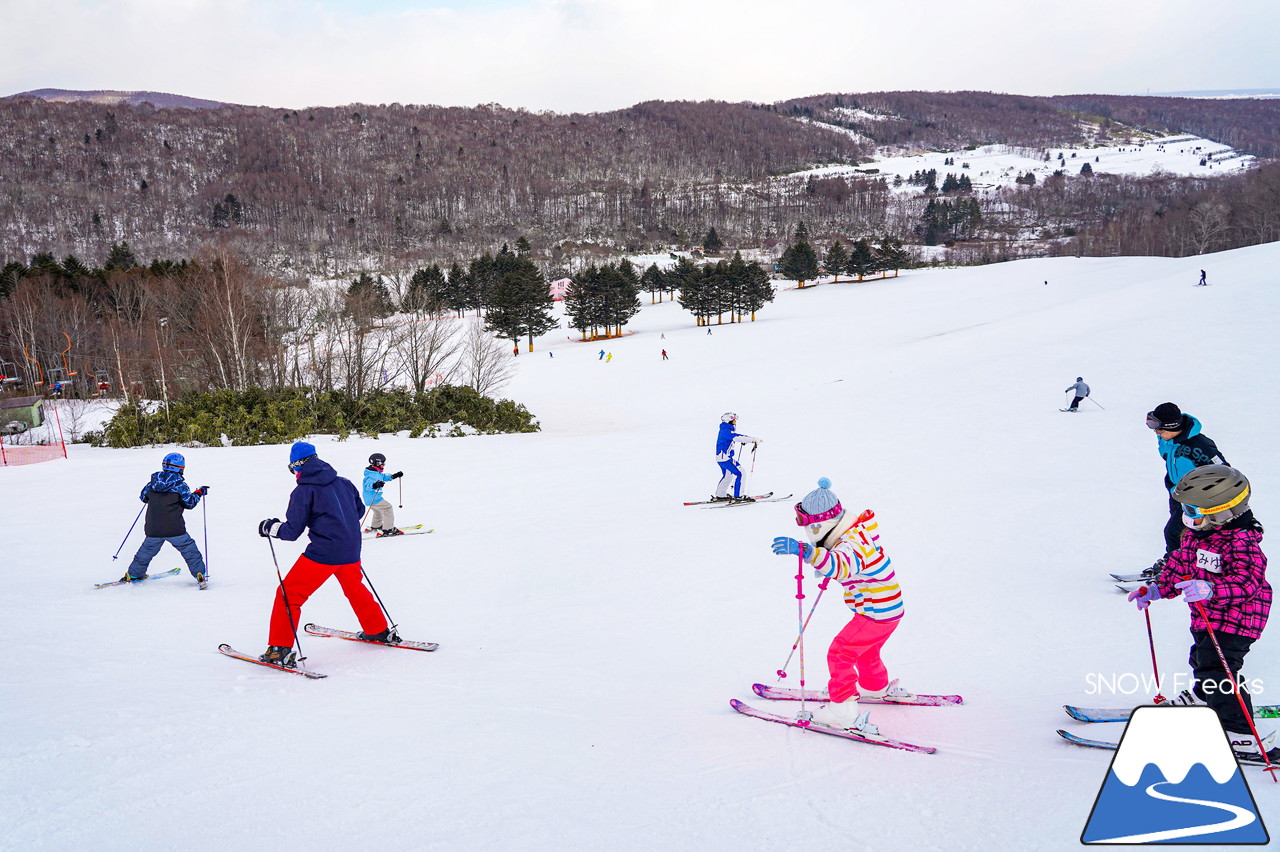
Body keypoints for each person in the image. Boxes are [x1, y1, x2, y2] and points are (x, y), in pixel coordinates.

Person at [1128, 465, 1276, 762]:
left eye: (1194, 509)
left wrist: (1211, 590)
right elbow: (1179, 565)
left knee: (1220, 672)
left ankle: (1242, 735)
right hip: (1206, 614)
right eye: (1186, 507)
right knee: (1201, 658)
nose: (1188, 515)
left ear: (1221, 511)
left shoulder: (1242, 542)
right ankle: (1204, 695)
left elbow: (1248, 582)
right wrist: (1157, 589)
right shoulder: (1196, 535)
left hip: (1241, 617)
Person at [770, 478, 911, 735]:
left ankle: (842, 710)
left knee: (841, 652)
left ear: (820, 524)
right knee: (866, 651)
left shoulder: (852, 544)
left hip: (876, 612)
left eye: (806, 523)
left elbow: (840, 564)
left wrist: (807, 553)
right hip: (888, 609)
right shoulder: (852, 530)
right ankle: (873, 686)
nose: (805, 529)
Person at [257, 442, 395, 666]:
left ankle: (278, 651)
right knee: (355, 589)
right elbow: (359, 511)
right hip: (351, 550)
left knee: (288, 595)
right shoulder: (344, 483)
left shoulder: (303, 491)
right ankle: (377, 630)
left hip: (323, 553)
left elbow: (292, 532)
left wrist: (271, 528)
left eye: (293, 469)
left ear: (298, 466)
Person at [1144, 402, 1229, 577]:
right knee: (1183, 533)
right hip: (1176, 492)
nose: (1156, 432)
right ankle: (1181, 562)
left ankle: (1175, 568)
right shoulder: (1167, 438)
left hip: (1196, 497)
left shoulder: (1200, 445)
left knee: (1173, 532)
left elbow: (1224, 471)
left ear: (1172, 426)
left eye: (1159, 428)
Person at [120, 452, 208, 586]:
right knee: (189, 550)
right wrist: (199, 492)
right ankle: (199, 574)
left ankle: (133, 574)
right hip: (175, 529)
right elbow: (189, 503)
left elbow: (143, 497)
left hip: (153, 528)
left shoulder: (151, 484)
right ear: (180, 468)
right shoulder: (180, 486)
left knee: (145, 553)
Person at [712, 412, 761, 503]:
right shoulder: (727, 431)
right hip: (725, 458)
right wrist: (753, 439)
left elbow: (732, 439)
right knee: (741, 473)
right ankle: (739, 496)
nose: (735, 422)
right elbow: (737, 437)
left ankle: (720, 495)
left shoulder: (724, 430)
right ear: (729, 421)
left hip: (721, 458)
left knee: (728, 476)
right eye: (734, 420)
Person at [362, 452, 404, 536]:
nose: (383, 465)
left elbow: (384, 477)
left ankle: (376, 526)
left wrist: (394, 476)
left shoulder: (375, 472)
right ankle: (388, 529)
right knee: (387, 508)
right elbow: (367, 486)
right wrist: (375, 485)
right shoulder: (372, 475)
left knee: (378, 511)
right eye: (382, 463)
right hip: (374, 498)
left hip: (370, 499)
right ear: (377, 463)